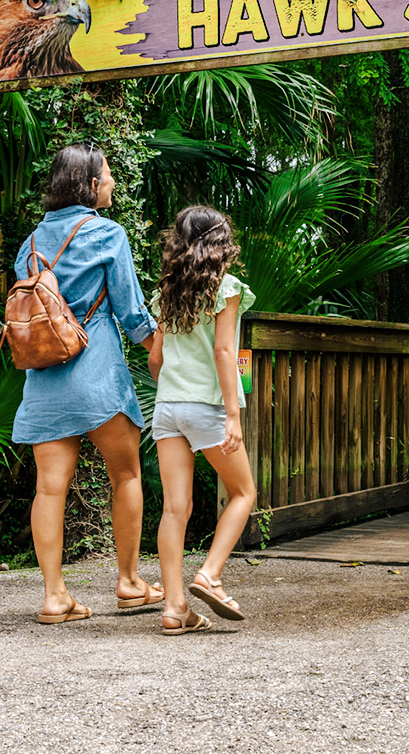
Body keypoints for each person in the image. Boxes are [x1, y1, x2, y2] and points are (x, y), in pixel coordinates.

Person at [13, 142, 163, 624]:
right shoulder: (107, 234)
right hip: (98, 376)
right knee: (127, 475)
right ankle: (129, 582)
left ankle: (55, 596)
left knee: (49, 490)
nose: (114, 183)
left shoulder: (30, 244)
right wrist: (163, 351)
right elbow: (132, 312)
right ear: (91, 184)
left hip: (45, 380)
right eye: (109, 175)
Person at [146, 206, 258, 635]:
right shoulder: (226, 288)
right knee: (244, 492)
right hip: (206, 407)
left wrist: (171, 388)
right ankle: (210, 575)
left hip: (167, 407)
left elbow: (156, 357)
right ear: (220, 242)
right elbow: (224, 352)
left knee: (175, 509)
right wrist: (233, 414)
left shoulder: (166, 292)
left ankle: (175, 609)